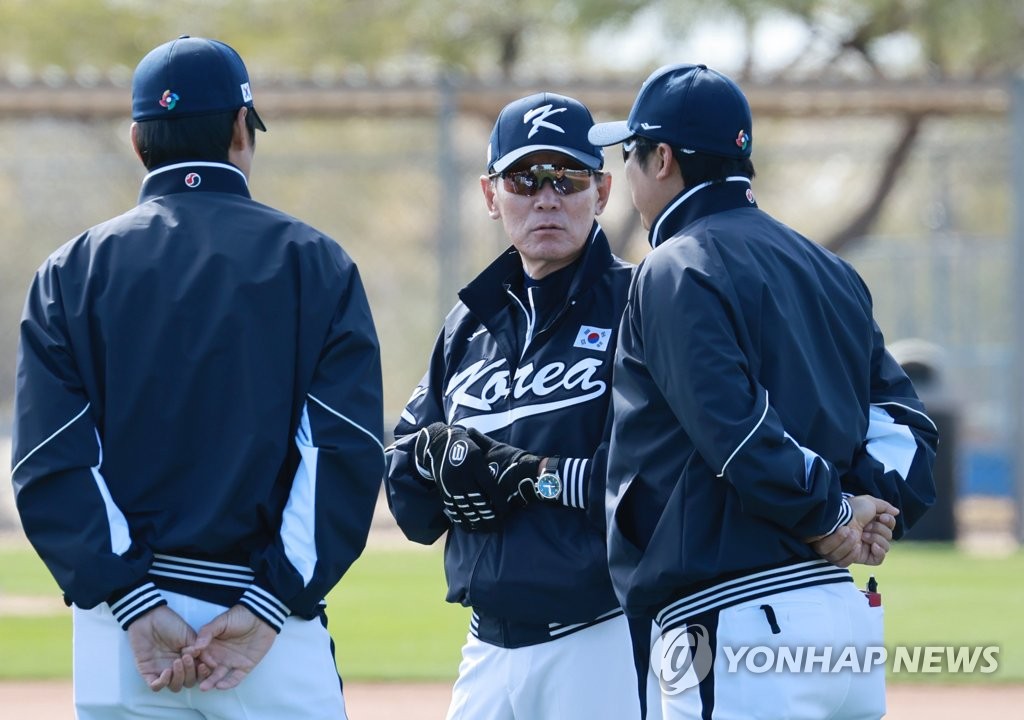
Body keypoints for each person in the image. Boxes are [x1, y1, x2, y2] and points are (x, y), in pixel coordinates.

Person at [10, 36, 384, 719]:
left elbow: (47, 459)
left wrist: (131, 598)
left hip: (123, 639)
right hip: (264, 627)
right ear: (242, 129)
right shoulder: (317, 262)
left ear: (135, 140)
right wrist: (273, 598)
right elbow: (345, 451)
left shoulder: (69, 272)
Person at [588, 63, 939, 719]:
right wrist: (868, 508)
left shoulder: (673, 266)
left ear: (662, 159)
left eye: (630, 156)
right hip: (843, 619)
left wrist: (835, 514)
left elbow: (737, 431)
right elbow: (904, 426)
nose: (627, 176)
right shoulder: (829, 268)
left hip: (736, 625)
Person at [385, 92, 655, 719]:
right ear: (489, 195)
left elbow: (655, 478)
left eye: (568, 177)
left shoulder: (639, 304)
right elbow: (407, 488)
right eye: (524, 178)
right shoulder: (467, 325)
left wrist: (532, 476)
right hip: (486, 646)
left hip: (602, 637)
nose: (547, 197)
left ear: (603, 190)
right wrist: (432, 460)